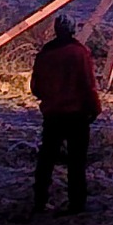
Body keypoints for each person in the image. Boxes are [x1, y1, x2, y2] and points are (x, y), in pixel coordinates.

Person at [31, 14, 100, 214]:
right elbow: (88, 84)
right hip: (77, 115)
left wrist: (49, 98)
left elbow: (36, 87)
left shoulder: (45, 54)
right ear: (73, 30)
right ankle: (77, 203)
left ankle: (39, 200)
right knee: (77, 161)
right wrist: (95, 108)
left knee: (46, 159)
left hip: (52, 114)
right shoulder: (80, 53)